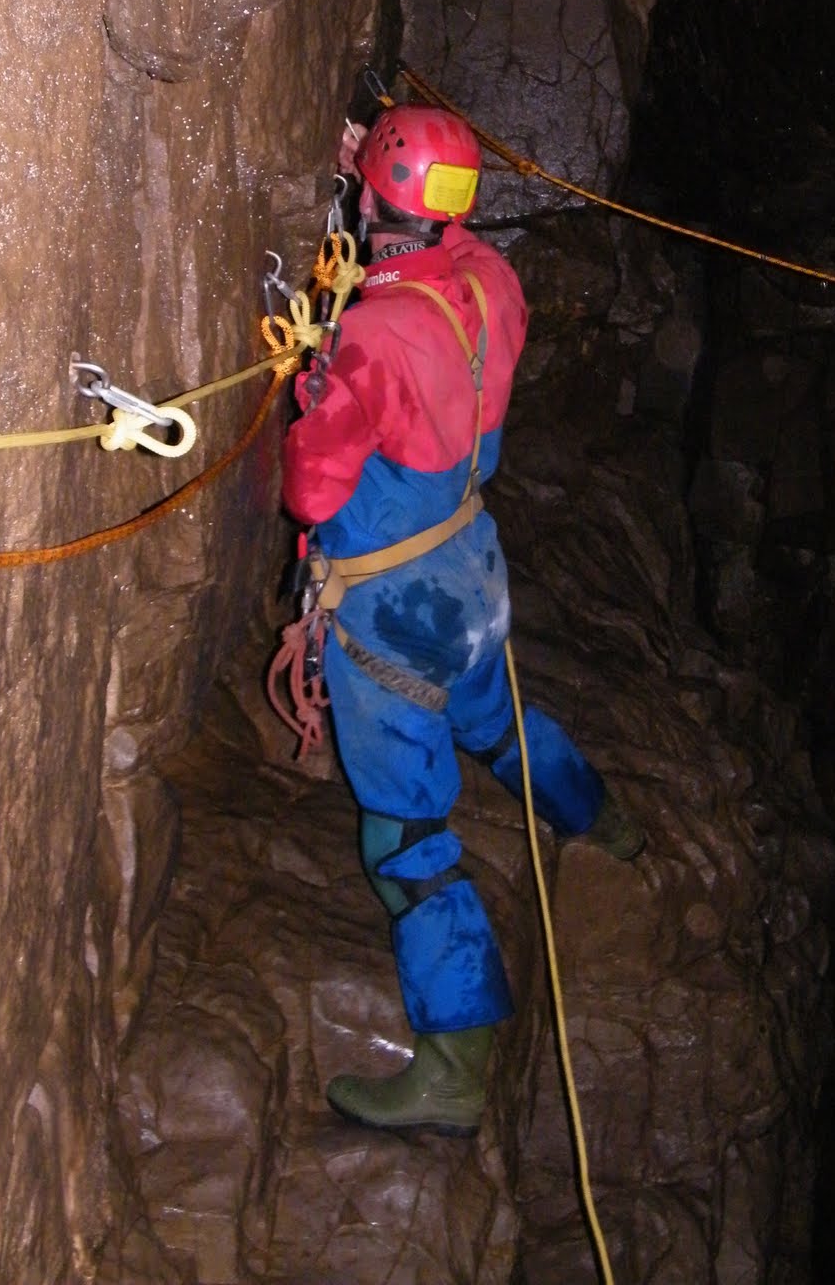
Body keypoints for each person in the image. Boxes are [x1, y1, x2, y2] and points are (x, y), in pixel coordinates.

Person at [280, 101, 644, 1136]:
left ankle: (455, 1059)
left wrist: (316, 383)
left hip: (396, 611)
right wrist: (388, 179)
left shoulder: (372, 333)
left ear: (372, 199)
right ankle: (604, 822)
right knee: (497, 721)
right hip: (474, 576)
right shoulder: (493, 282)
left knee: (407, 833)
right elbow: (448, 251)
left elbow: (312, 492)